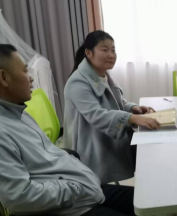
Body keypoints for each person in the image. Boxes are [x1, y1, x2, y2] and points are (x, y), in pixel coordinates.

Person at [0, 44, 159, 216]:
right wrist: (77, 188)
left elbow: (47, 159)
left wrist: (82, 182)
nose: (30, 78)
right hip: (64, 215)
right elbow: (22, 198)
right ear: (3, 78)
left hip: (80, 194)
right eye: (25, 71)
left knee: (150, 202)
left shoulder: (14, 112)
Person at [63, 31, 160, 184]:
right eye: (105, 50)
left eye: (113, 50)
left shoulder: (103, 75)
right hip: (93, 144)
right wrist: (132, 118)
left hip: (108, 136)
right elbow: (97, 115)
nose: (111, 55)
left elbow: (116, 102)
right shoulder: (78, 82)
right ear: (88, 53)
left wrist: (133, 108)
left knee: (153, 151)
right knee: (149, 154)